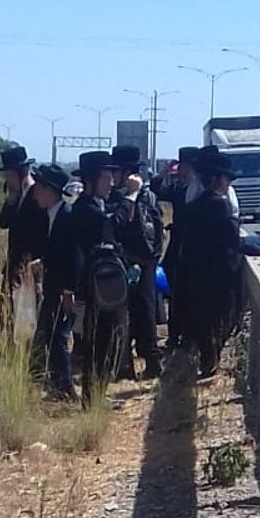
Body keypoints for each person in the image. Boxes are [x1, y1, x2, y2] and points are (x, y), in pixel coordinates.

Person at [69, 150, 129, 403]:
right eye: (106, 178)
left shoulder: (97, 204)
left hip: (104, 284)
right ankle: (93, 398)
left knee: (108, 340)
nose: (111, 183)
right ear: (92, 181)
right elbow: (113, 225)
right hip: (93, 288)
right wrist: (131, 198)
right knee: (98, 342)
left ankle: (98, 394)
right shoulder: (86, 208)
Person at [179, 149, 242, 380]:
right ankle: (211, 363)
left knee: (204, 320)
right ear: (216, 179)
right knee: (223, 318)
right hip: (219, 275)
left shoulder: (196, 204)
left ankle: (208, 362)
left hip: (197, 275)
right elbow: (233, 239)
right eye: (226, 179)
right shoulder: (220, 205)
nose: (228, 184)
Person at [110, 142, 163, 381]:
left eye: (116, 171)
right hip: (121, 263)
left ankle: (152, 363)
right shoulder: (114, 198)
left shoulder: (146, 197)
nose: (112, 176)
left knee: (145, 314)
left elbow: (150, 236)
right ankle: (125, 365)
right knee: (121, 317)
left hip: (142, 264)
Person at [29, 162, 78, 400]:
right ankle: (58, 385)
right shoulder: (52, 215)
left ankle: (65, 389)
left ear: (49, 189)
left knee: (59, 337)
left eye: (38, 186)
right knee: (51, 335)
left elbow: (73, 256)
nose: (34, 192)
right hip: (53, 286)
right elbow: (56, 252)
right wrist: (43, 262)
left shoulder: (66, 216)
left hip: (61, 289)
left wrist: (69, 290)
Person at [0, 143, 49, 334]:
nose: (8, 179)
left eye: (10, 175)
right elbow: (3, 223)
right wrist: (10, 201)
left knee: (29, 315)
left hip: (31, 266)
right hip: (14, 264)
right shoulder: (15, 196)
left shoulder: (37, 195)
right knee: (9, 312)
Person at [162, 146, 201, 349]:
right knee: (175, 298)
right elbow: (158, 189)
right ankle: (175, 335)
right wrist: (165, 171)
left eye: (186, 166)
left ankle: (187, 336)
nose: (183, 171)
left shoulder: (200, 192)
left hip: (192, 252)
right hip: (176, 250)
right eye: (181, 166)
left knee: (188, 297)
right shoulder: (179, 189)